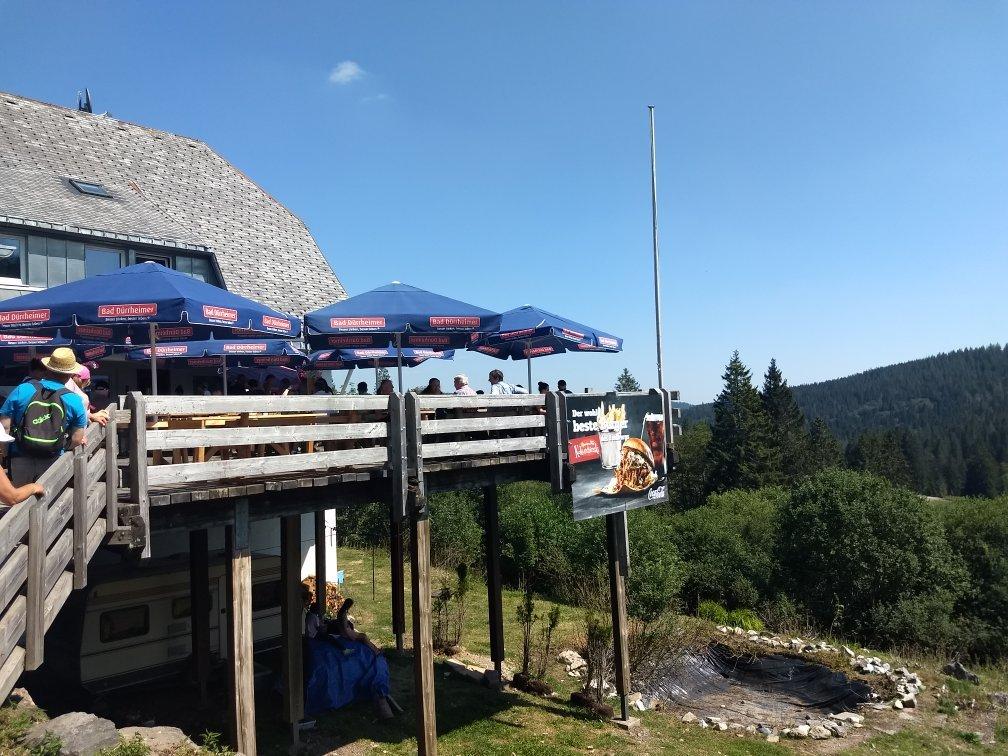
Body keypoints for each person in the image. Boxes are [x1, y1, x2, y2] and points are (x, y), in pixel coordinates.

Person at [0, 347, 88, 486]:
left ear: (47, 367)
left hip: (20, 457)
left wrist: (4, 455)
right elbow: (77, 438)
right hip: (53, 460)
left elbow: (4, 426)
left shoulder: (22, 389)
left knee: (21, 505)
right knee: (52, 505)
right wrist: (61, 447)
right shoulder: (75, 400)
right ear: (71, 374)